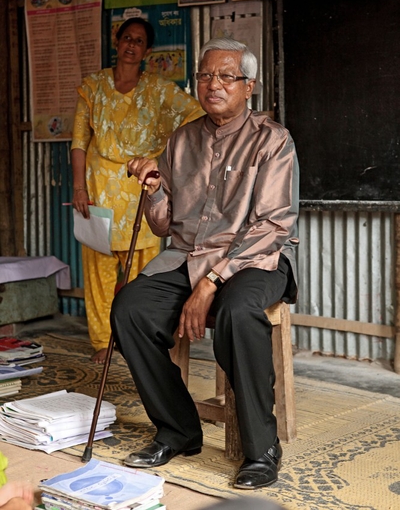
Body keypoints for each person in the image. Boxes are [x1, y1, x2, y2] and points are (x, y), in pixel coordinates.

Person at [110, 37, 299, 490]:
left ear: (248, 86)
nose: (213, 84)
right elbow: (163, 225)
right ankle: (179, 430)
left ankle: (261, 448)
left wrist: (212, 281)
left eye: (226, 76)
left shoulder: (272, 141)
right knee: (130, 310)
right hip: (187, 256)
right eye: (205, 75)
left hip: (256, 260)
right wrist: (155, 188)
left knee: (238, 311)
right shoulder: (181, 140)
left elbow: (272, 226)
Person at [71, 17, 203, 364]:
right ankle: (102, 340)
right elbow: (79, 141)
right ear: (117, 41)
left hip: (143, 189)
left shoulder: (159, 89)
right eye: (127, 38)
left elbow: (196, 115)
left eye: (139, 41)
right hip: (98, 189)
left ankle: (135, 337)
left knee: (142, 270)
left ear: (147, 50)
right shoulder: (93, 85)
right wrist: (78, 186)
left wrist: (165, 160)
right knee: (99, 271)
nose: (132, 45)